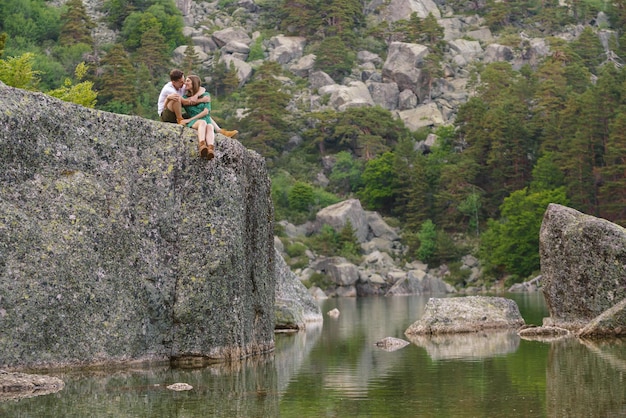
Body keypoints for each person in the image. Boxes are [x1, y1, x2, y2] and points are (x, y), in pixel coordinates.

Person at [157, 69, 238, 138]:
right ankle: (180, 119)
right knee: (176, 98)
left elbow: (202, 88)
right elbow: (184, 102)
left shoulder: (181, 86)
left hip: (176, 112)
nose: (184, 84)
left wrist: (196, 96)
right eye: (181, 82)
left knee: (200, 113)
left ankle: (220, 131)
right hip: (166, 115)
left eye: (184, 81)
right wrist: (201, 100)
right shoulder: (169, 89)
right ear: (174, 82)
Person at [179, 75, 219, 159]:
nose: (185, 83)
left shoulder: (206, 95)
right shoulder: (184, 98)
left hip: (205, 118)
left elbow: (206, 111)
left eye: (188, 81)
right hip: (195, 121)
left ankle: (210, 149)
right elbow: (187, 102)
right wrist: (189, 120)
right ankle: (202, 145)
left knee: (210, 126)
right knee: (202, 122)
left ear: (194, 83)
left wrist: (199, 97)